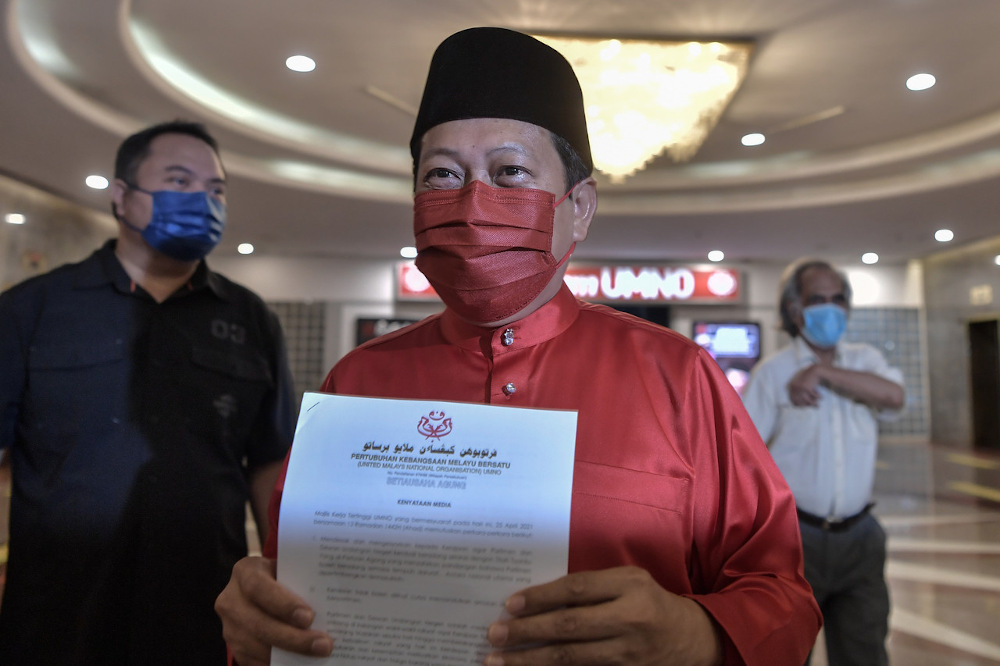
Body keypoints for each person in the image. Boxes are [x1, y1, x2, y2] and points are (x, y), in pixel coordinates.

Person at [215, 27, 821, 666]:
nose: (473, 202)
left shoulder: (679, 378)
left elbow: (783, 595)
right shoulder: (357, 383)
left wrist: (696, 635)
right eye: (442, 174)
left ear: (578, 208)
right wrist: (257, 632)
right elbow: (290, 595)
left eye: (510, 172)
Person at [0, 120, 296, 664]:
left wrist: (285, 575)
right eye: (179, 181)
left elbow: (269, 461)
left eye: (216, 189)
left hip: (206, 606)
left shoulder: (251, 318)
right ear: (121, 196)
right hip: (58, 608)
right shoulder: (32, 309)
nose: (202, 201)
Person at [742, 259, 905, 666]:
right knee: (786, 652)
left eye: (838, 299)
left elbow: (894, 397)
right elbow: (743, 457)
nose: (830, 308)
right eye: (818, 299)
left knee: (864, 652)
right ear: (795, 310)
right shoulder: (773, 373)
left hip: (861, 539)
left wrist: (821, 372)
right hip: (795, 540)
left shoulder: (865, 360)